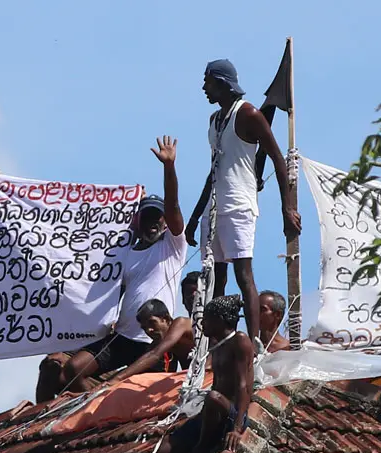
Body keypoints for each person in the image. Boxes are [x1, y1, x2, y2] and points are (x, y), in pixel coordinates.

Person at [36, 136, 188, 402]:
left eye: (157, 218)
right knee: (71, 369)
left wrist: (168, 167)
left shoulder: (172, 246)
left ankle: (104, 406)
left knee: (140, 396)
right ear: (138, 222)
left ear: (165, 222)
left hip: (152, 339)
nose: (153, 223)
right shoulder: (127, 252)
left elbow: (173, 205)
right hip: (122, 334)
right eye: (147, 218)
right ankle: (93, 409)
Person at [82, 295, 254, 453]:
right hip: (210, 412)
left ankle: (201, 449)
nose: (201, 325)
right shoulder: (216, 344)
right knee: (161, 451)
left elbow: (244, 386)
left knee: (213, 397)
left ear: (221, 320)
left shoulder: (239, 341)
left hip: (230, 412)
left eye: (208, 319)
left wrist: (237, 427)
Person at [187, 59, 302, 352]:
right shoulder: (215, 121)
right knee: (216, 279)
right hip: (214, 210)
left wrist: (286, 208)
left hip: (239, 204)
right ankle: (220, 343)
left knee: (243, 275)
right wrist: (195, 214)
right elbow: (214, 170)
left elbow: (277, 158)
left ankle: (252, 346)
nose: (203, 88)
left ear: (222, 83)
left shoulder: (248, 113)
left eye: (208, 82)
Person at [110, 299, 196, 383]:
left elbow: (154, 354)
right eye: (144, 328)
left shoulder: (181, 323)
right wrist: (112, 381)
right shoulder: (161, 344)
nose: (149, 330)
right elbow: (140, 365)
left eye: (152, 322)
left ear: (166, 319)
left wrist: (117, 379)